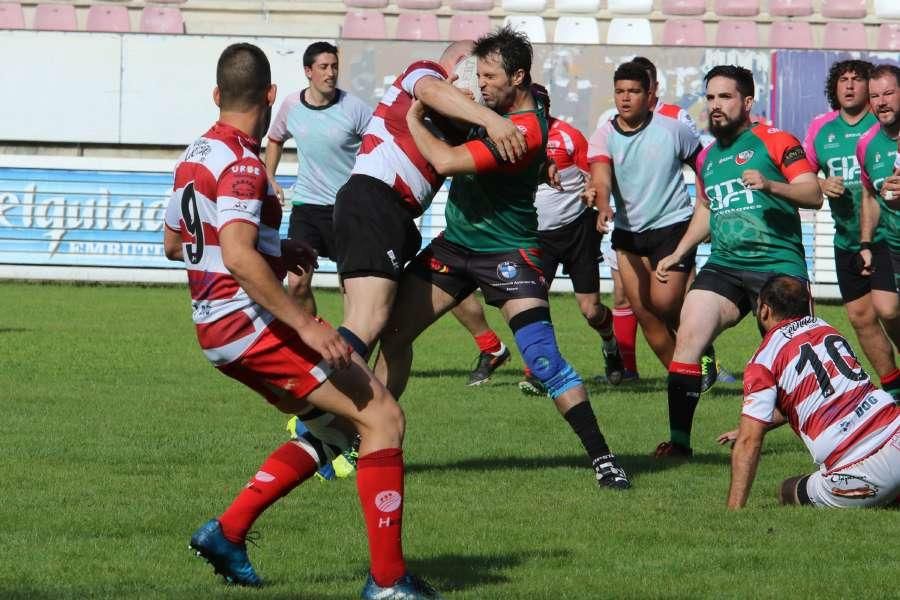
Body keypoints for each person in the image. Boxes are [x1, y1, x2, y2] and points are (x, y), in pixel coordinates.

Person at [162, 43, 440, 599]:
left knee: (334, 426)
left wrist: (276, 246)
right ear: (271, 96)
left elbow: (176, 243)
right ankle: (387, 583)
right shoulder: (243, 165)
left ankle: (229, 532)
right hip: (250, 326)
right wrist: (308, 325)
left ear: (217, 95)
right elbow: (236, 256)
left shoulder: (198, 153)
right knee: (383, 418)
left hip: (216, 329)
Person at [375, 27, 631, 490]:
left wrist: (414, 117)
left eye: (491, 76)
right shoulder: (494, 108)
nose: (482, 83)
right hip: (456, 245)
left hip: (508, 254)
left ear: (517, 77)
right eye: (480, 73)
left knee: (545, 360)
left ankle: (603, 458)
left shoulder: (525, 130)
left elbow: (448, 162)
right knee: (393, 332)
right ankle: (367, 442)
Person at [655, 65, 822, 459]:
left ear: (747, 102)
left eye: (725, 97)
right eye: (710, 98)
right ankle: (679, 444)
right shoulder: (707, 157)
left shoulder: (776, 140)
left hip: (778, 263)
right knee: (689, 336)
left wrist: (770, 185)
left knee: (799, 361)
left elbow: (812, 193)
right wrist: (679, 253)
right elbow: (706, 210)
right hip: (725, 264)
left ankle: (829, 446)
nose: (715, 106)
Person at [332, 40, 526, 362]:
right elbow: (431, 91)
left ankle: (369, 411)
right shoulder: (425, 71)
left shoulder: (465, 119)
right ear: (461, 64)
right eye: (477, 72)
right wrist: (492, 121)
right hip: (374, 199)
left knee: (393, 333)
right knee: (369, 319)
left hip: (391, 212)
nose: (481, 82)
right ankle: (312, 406)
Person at [721, 275, 899, 509]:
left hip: (860, 472)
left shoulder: (763, 359)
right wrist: (753, 424)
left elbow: (748, 441)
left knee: (788, 489)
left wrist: (732, 512)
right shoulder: (825, 328)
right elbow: (813, 397)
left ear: (764, 310)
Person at [586, 62, 704, 385]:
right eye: (620, 91)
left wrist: (704, 210)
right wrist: (602, 205)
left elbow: (704, 166)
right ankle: (685, 379)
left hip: (673, 226)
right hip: (628, 234)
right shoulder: (604, 135)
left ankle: (703, 350)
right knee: (646, 314)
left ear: (648, 94)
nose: (625, 98)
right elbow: (601, 176)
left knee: (665, 306)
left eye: (633, 92)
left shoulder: (672, 129)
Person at [518, 84, 625, 395]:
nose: (534, 111)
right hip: (539, 236)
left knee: (591, 310)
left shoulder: (568, 136)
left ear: (546, 107)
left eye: (539, 106)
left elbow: (595, 175)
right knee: (532, 303)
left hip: (578, 230)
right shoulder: (515, 136)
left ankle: (611, 347)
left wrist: (592, 192)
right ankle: (539, 369)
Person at [804, 60, 899, 402]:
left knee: (889, 310)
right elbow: (802, 177)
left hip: (888, 237)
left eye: (857, 80)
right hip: (848, 238)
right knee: (861, 318)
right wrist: (820, 182)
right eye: (842, 80)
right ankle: (894, 391)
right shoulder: (821, 129)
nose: (849, 87)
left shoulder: (882, 124)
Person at [264, 41, 371, 316]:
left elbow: (378, 146)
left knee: (350, 287)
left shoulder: (354, 108)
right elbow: (275, 139)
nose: (330, 73)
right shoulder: (291, 105)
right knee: (297, 284)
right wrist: (269, 177)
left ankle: (352, 349)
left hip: (347, 208)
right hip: (307, 207)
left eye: (334, 67)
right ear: (308, 71)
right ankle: (317, 346)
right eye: (323, 67)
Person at [856, 64, 900, 401]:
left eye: (888, 93)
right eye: (874, 96)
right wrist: (866, 242)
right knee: (885, 310)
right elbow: (869, 196)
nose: (881, 102)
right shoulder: (867, 144)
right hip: (891, 244)